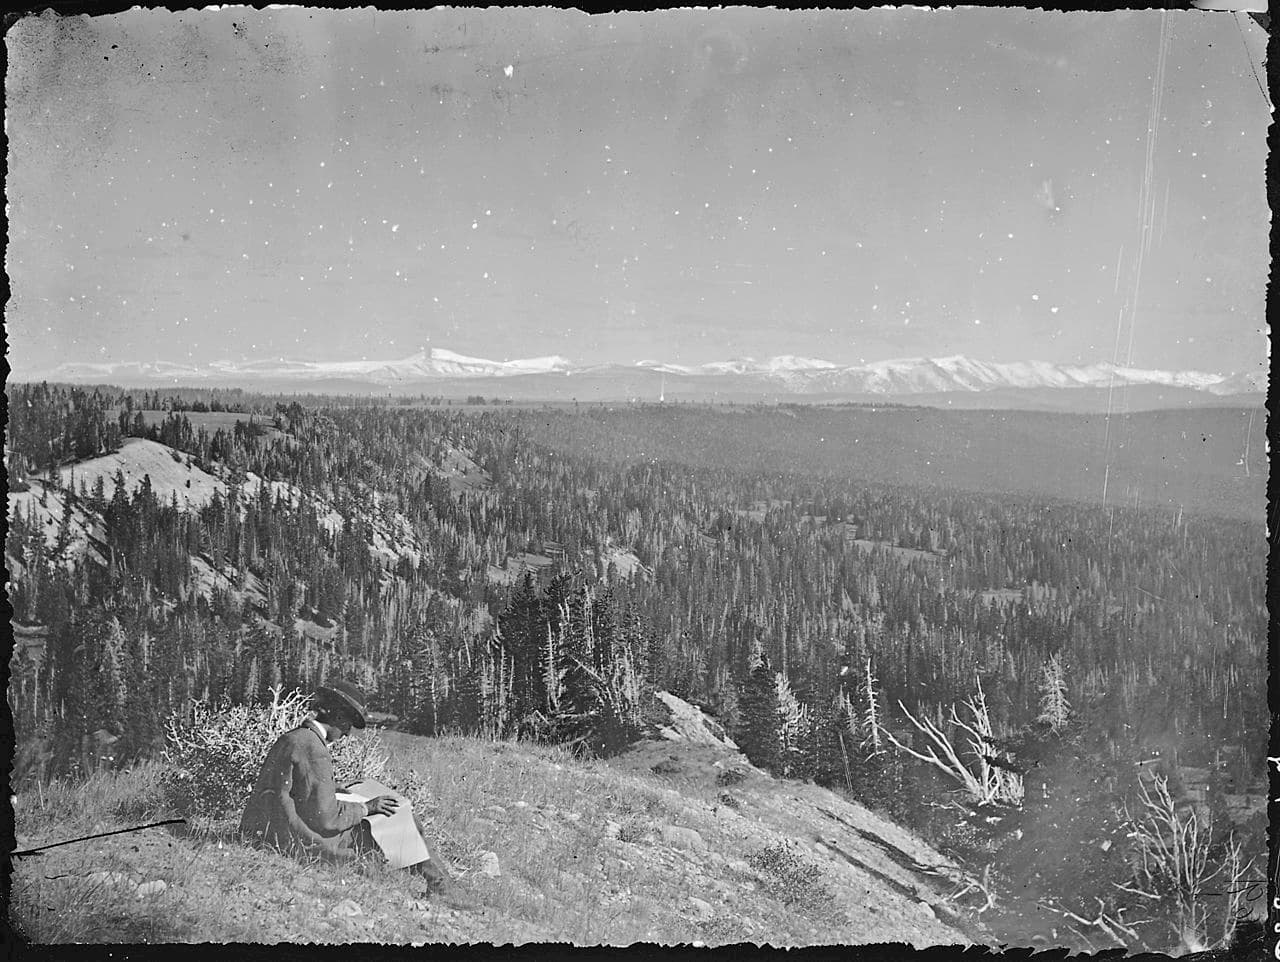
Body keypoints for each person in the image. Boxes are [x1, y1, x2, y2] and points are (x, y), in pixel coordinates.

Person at [239, 680, 460, 898]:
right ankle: (441, 886)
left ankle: (439, 882)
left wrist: (335, 790)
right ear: (337, 717)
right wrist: (367, 807)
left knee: (390, 819)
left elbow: (294, 790)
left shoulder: (294, 737)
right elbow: (326, 818)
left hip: (272, 831)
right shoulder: (314, 748)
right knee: (399, 818)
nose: (346, 733)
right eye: (347, 725)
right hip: (298, 840)